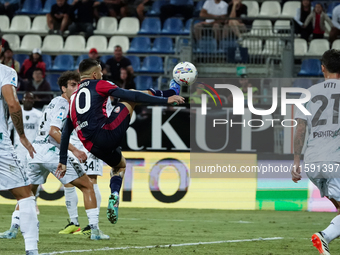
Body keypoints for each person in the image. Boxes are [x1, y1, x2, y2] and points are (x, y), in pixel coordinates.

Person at [57, 59, 184, 225]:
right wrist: (165, 101)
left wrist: (62, 160)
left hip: (92, 146)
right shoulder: (99, 84)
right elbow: (133, 96)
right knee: (131, 95)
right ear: (94, 74)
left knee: (120, 165)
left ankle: (115, 195)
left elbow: (66, 130)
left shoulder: (72, 97)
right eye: (101, 72)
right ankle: (168, 92)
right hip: (107, 133)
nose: (102, 74)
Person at [292, 49, 340, 255]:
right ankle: (324, 236)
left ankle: (326, 237)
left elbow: (300, 129)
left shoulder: (308, 94)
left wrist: (296, 162)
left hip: (312, 161)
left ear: (322, 68)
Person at [0, 36, 39, 255]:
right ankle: (31, 250)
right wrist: (22, 136)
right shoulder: (5, 71)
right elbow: (13, 103)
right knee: (25, 195)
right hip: (1, 144)